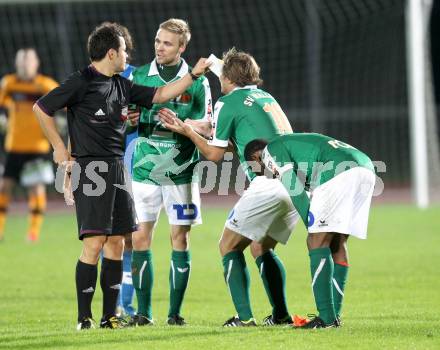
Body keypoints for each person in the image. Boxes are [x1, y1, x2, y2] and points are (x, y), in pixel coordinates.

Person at [33, 22, 210, 330]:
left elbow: (163, 93)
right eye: (125, 51)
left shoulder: (122, 84)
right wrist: (60, 149)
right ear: (112, 53)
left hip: (117, 169)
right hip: (91, 170)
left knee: (116, 242)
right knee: (94, 243)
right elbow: (41, 108)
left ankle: (109, 316)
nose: (130, 55)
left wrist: (193, 75)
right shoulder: (81, 82)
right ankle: (83, 318)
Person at [160, 48, 299, 327]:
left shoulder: (229, 100)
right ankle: (281, 316)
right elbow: (232, 136)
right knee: (261, 248)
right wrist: (190, 125)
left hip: (266, 185)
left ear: (228, 77)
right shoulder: (264, 97)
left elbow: (213, 155)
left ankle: (244, 319)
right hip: (295, 184)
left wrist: (186, 131)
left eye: (221, 75)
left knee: (228, 246)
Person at [128, 18, 212, 327]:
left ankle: (174, 314)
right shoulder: (139, 75)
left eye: (167, 43)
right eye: (157, 40)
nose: (159, 47)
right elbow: (125, 121)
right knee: (139, 239)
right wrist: (128, 119)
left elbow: (210, 125)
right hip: (145, 169)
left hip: (181, 171)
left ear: (182, 47)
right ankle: (143, 313)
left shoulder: (199, 81)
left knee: (180, 238)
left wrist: (182, 124)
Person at [244, 133, 376, 328]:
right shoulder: (293, 150)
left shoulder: (270, 152)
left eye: (252, 167)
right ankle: (333, 316)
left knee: (316, 241)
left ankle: (327, 319)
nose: (256, 173)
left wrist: (312, 227)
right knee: (338, 243)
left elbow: (295, 190)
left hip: (339, 169)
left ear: (255, 158)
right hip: (365, 168)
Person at [0, 48, 58, 242]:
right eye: (22, 61)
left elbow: (64, 101)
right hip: (14, 145)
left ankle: (33, 233)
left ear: (36, 63)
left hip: (37, 147)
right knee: (4, 187)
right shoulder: (9, 83)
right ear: (17, 64)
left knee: (36, 189)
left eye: (29, 61)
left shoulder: (45, 85)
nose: (25, 64)